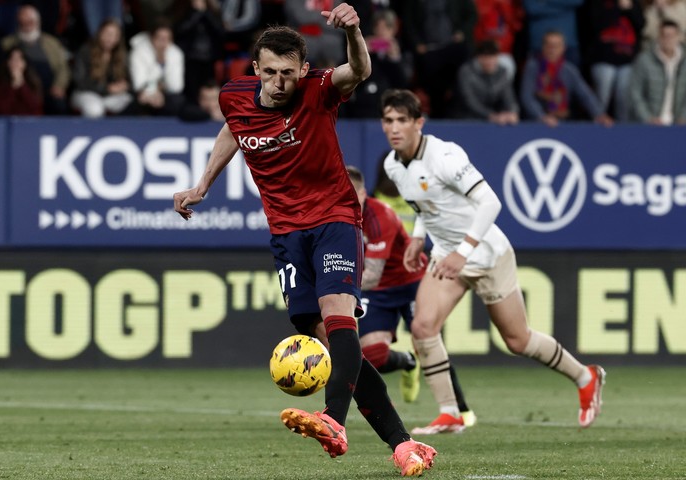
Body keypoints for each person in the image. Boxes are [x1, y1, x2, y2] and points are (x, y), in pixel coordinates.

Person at [173, 6, 437, 476]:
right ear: (255, 69)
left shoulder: (319, 90)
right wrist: (202, 185)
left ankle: (333, 421)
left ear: (304, 70)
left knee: (339, 314)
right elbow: (233, 130)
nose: (279, 82)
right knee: (330, 344)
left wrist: (355, 31)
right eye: (270, 72)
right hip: (285, 233)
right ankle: (404, 444)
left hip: (334, 216)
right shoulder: (234, 96)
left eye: (288, 73)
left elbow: (359, 68)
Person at [379, 88, 607, 434]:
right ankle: (450, 412)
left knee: (517, 341)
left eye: (402, 120)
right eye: (388, 120)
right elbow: (425, 204)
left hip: (486, 253)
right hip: (447, 256)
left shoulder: (445, 156)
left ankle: (585, 376)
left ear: (418, 123)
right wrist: (418, 237)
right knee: (423, 328)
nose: (394, 128)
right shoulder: (393, 165)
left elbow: (490, 203)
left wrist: (462, 252)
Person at [346, 165, 477, 427]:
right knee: (372, 356)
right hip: (379, 292)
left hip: (411, 281)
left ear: (362, 193)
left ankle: (461, 410)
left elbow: (372, 273)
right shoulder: (335, 216)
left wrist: (333, 286)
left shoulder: (380, 215)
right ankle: (407, 362)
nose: (345, 199)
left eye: (351, 194)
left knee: (427, 340)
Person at [520, 30, 614, 127]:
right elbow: (527, 97)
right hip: (536, 123)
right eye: (549, 45)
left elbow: (585, 94)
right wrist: (541, 116)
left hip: (563, 121)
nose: (552, 50)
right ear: (543, 47)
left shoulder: (569, 70)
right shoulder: (532, 67)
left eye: (556, 46)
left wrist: (599, 114)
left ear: (563, 48)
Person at [1, 5, 70, 115]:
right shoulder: (7, 44)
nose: (27, 25)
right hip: (22, 88)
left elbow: (63, 68)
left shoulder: (52, 43)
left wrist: (59, 85)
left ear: (38, 22)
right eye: (23, 22)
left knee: (59, 104)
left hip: (48, 89)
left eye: (30, 22)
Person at [587, 0, 644, 122]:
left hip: (627, 60)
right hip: (603, 58)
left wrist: (630, 9)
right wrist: (618, 7)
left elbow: (641, 25)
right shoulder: (599, 3)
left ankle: (622, 133)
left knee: (624, 100)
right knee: (602, 97)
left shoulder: (632, 2)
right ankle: (595, 128)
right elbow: (597, 24)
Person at [71, 19, 133, 118]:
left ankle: (119, 131)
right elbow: (80, 81)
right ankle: (93, 132)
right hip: (86, 93)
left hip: (111, 97)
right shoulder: (86, 51)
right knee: (95, 109)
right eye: (107, 34)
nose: (110, 38)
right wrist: (106, 89)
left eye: (114, 35)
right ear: (100, 33)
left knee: (130, 102)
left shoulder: (121, 55)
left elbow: (129, 80)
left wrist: (124, 85)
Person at [629, 19, 686, 125]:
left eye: (672, 35)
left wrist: (683, 117)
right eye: (664, 35)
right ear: (659, 37)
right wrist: (648, 118)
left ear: (679, 37)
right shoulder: (644, 60)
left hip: (679, 125)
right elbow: (635, 92)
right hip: (651, 124)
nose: (668, 39)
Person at [129, 18, 186, 116]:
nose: (163, 43)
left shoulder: (176, 53)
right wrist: (154, 91)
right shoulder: (138, 52)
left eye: (167, 39)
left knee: (178, 101)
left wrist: (163, 62)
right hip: (144, 94)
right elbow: (138, 83)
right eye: (160, 38)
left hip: (165, 96)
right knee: (137, 101)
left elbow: (177, 87)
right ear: (152, 38)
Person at [455, 39, 520, 124]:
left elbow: (509, 98)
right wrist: (491, 115)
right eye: (486, 57)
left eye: (493, 56)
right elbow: (470, 101)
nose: (490, 61)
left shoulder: (502, 72)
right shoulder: (466, 71)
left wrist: (512, 112)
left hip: (490, 121)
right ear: (479, 57)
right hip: (463, 119)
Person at [0, 45, 43, 115]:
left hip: (30, 123)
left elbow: (35, 106)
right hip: (5, 123)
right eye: (12, 59)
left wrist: (22, 84)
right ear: (7, 63)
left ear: (25, 63)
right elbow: (2, 108)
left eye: (19, 59)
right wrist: (13, 87)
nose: (16, 63)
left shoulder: (33, 80)